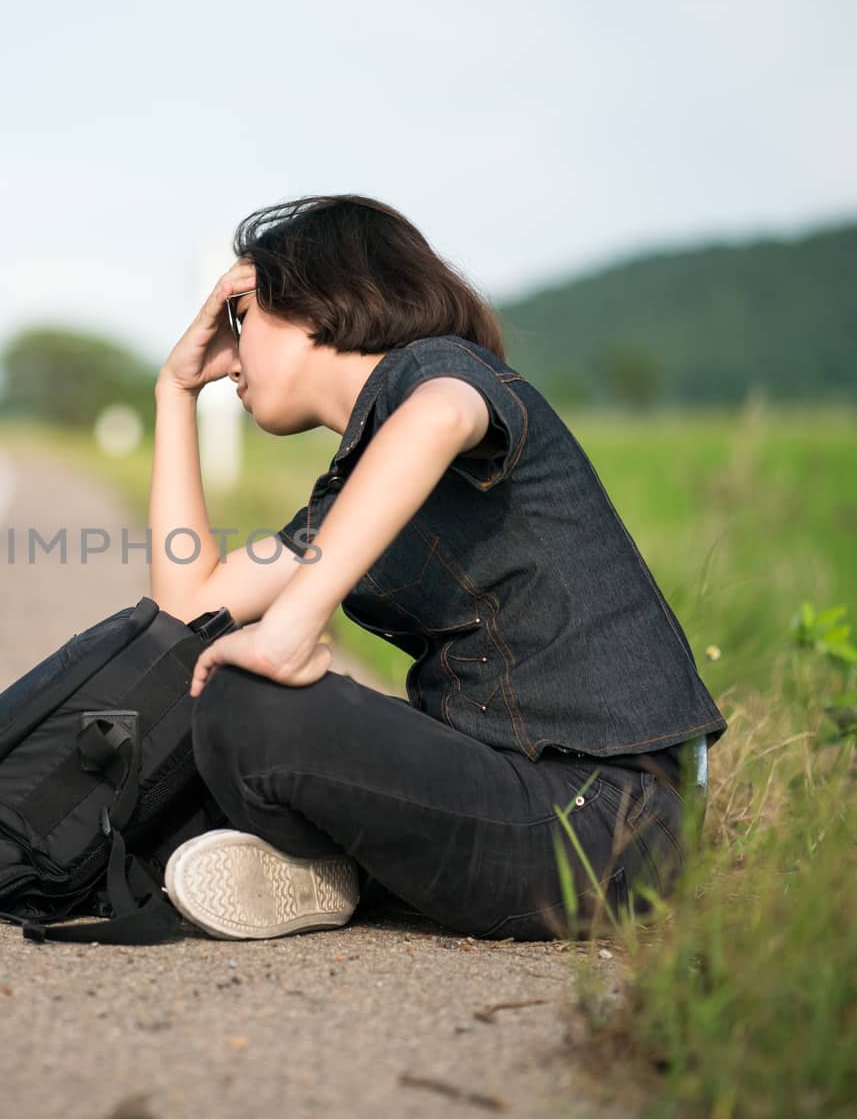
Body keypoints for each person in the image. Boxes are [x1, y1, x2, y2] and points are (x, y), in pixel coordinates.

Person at [149, 194, 726, 942]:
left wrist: (290, 626)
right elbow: (191, 606)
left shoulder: (438, 370)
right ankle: (335, 868)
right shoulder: (362, 488)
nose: (230, 349)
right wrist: (174, 393)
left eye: (240, 315)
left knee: (246, 702)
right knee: (212, 686)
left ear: (314, 306)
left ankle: (334, 866)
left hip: (612, 822)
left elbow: (443, 415)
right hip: (530, 805)